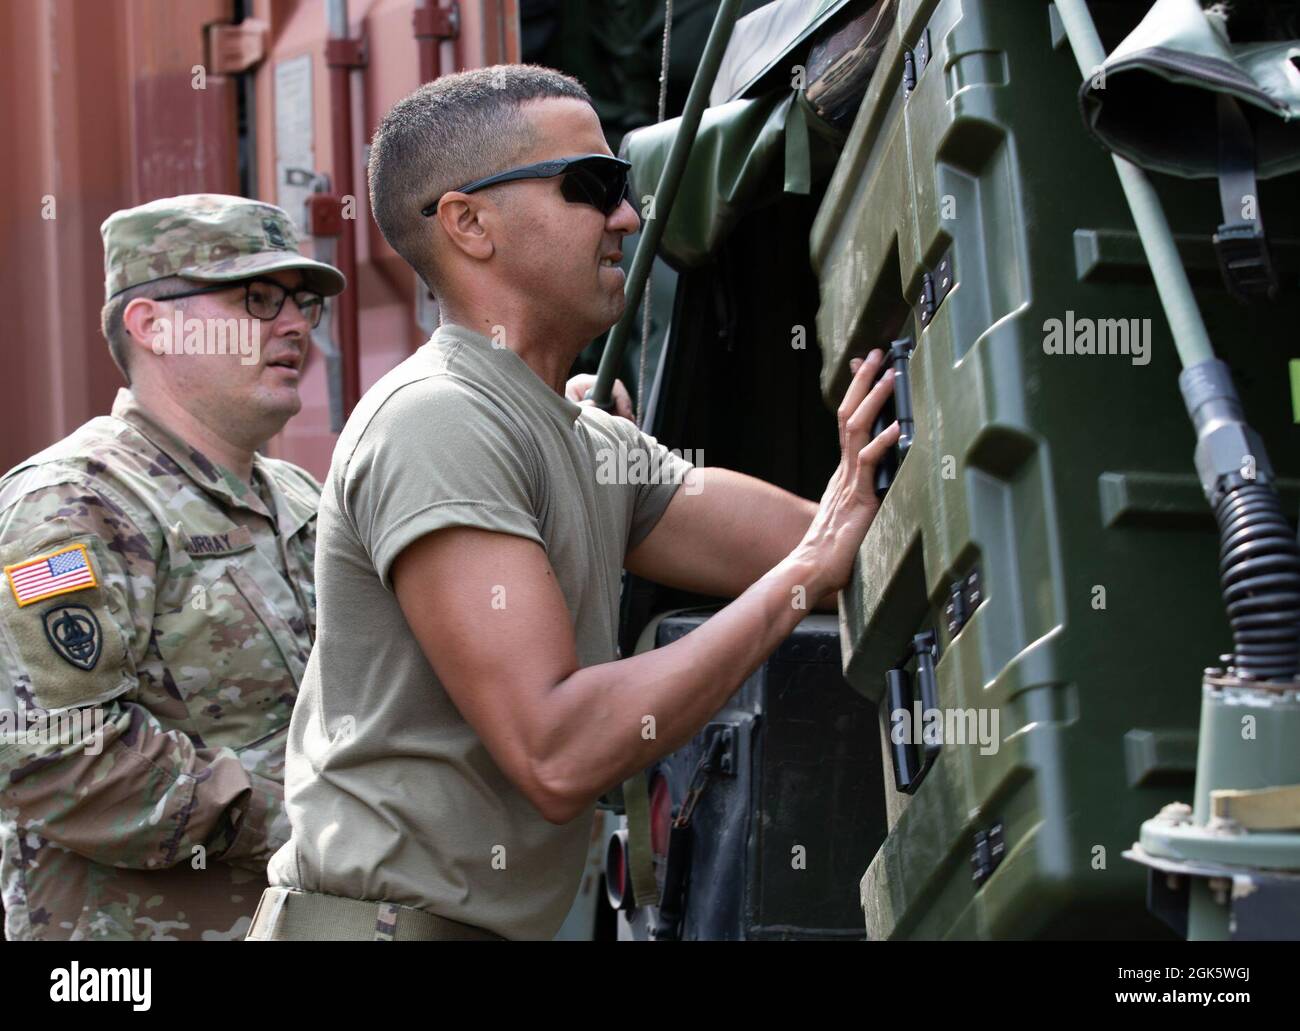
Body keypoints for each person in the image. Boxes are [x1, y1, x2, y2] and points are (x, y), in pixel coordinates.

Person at [251, 65, 898, 941]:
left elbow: (838, 542)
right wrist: (798, 577)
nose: (626, 216)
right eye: (590, 187)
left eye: (622, 187)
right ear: (468, 223)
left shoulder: (586, 441)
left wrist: (871, 480)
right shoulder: (438, 421)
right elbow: (557, 749)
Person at [0, 194, 345, 940]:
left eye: (301, 304)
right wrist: (308, 825)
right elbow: (60, 760)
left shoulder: (296, 496)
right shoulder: (75, 503)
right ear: (152, 324)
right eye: (257, 299)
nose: (293, 325)